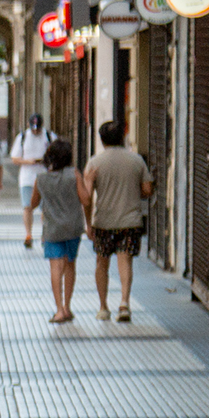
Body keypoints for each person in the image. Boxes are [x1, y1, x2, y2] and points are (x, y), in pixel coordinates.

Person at [82, 119, 155, 323]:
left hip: (103, 221)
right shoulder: (136, 160)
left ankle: (103, 307)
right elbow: (148, 190)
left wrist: (88, 223)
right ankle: (124, 303)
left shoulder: (95, 163)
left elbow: (87, 199)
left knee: (101, 263)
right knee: (125, 261)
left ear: (102, 139)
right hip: (130, 220)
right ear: (122, 137)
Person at [29, 138, 87, 324]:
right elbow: (85, 199)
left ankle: (59, 309)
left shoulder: (41, 179)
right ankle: (68, 307)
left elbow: (32, 203)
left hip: (52, 229)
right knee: (70, 265)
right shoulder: (74, 175)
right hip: (72, 228)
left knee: (56, 267)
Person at [9, 113, 54, 248]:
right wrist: (28, 161)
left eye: (38, 128)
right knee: (27, 207)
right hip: (27, 178)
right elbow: (15, 158)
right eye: (33, 128)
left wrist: (46, 161)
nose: (36, 131)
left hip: (45, 176)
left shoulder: (49, 136)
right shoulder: (22, 137)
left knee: (45, 208)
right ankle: (28, 234)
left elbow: (57, 154)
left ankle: (44, 235)